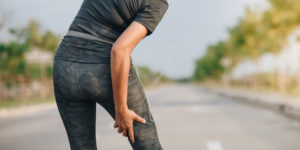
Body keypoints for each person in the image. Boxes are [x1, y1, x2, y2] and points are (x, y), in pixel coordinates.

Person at [52, 0, 169, 149]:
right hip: (103, 66)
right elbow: (120, 50)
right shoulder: (156, 3)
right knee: (147, 144)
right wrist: (121, 109)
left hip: (64, 65)